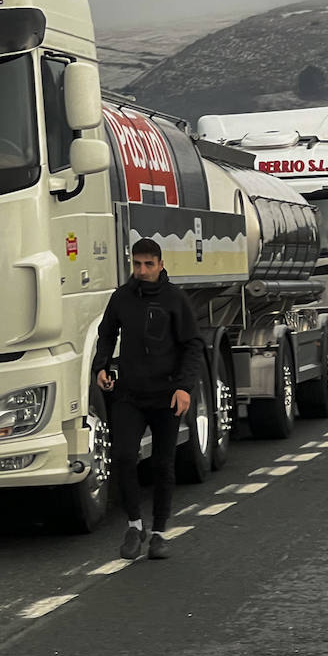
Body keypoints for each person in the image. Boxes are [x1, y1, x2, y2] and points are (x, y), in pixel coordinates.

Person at [91, 237, 204, 560]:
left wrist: (184, 387)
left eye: (148, 265)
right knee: (124, 457)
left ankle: (158, 534)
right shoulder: (122, 298)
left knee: (163, 464)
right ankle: (134, 526)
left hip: (167, 395)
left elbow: (193, 345)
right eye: (137, 264)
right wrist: (102, 365)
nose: (142, 270)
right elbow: (107, 333)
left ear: (160, 264)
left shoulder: (174, 300)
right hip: (130, 394)